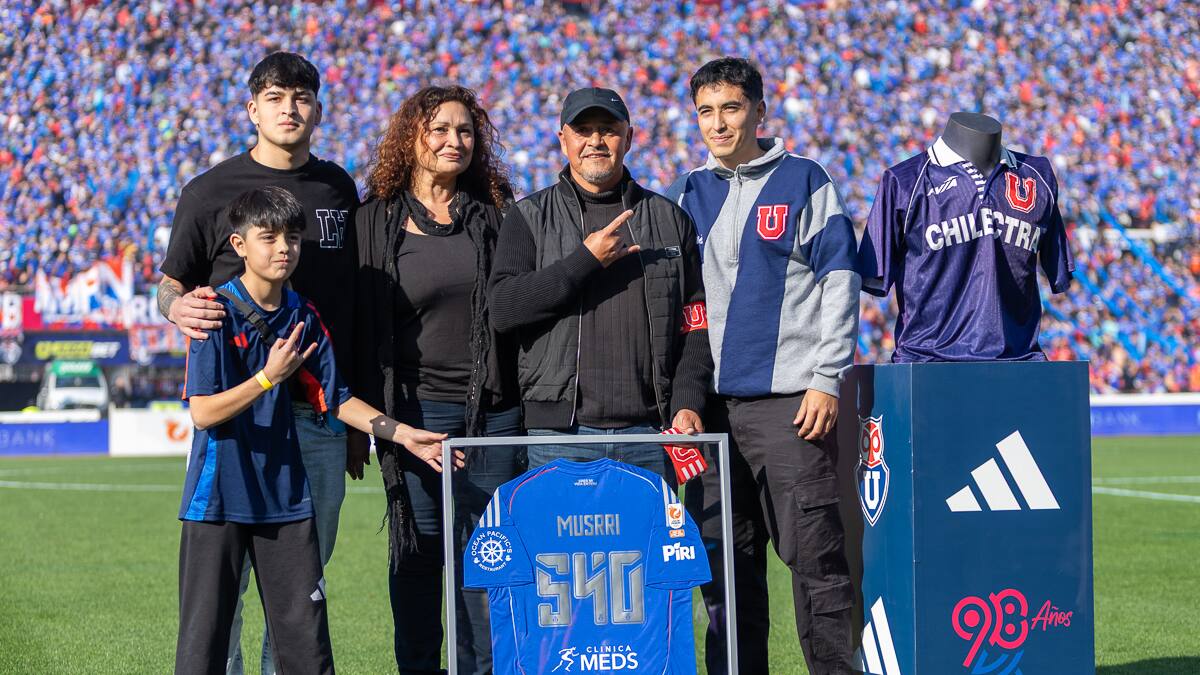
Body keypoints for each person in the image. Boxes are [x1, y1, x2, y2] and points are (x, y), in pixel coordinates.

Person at [175, 186, 457, 675]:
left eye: (292, 238)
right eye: (268, 238)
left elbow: (338, 398)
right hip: (218, 498)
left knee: (305, 641)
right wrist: (268, 378)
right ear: (240, 245)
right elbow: (202, 413)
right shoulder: (213, 312)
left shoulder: (302, 315)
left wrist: (402, 434)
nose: (283, 248)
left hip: (286, 497)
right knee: (207, 640)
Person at [156, 52, 363, 675]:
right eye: (275, 97)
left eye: (302, 97)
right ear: (253, 109)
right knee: (224, 598)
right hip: (238, 420)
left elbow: (350, 302)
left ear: (318, 109)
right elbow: (171, 284)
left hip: (320, 418)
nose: (289, 108)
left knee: (298, 597)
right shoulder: (209, 191)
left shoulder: (338, 189)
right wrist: (175, 309)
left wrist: (355, 423)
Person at [667, 58, 860, 675]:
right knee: (725, 572)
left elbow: (840, 280)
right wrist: (684, 398)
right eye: (706, 111)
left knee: (817, 564)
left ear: (758, 110)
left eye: (730, 108)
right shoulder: (688, 193)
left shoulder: (804, 179)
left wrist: (826, 378)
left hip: (789, 408)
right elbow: (680, 307)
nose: (718, 123)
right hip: (712, 415)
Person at [352, 85, 521, 674]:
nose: (455, 140)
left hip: (493, 415)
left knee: (488, 564)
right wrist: (362, 423)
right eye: (440, 129)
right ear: (411, 138)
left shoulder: (497, 216)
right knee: (418, 560)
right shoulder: (374, 220)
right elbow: (357, 326)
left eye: (466, 131)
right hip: (414, 417)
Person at [488, 87, 711, 481]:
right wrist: (585, 261)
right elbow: (504, 310)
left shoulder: (669, 218)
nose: (595, 141)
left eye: (607, 130)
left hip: (651, 432)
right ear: (563, 140)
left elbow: (696, 321)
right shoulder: (528, 217)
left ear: (629, 137)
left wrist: (688, 400)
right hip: (559, 435)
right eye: (583, 130)